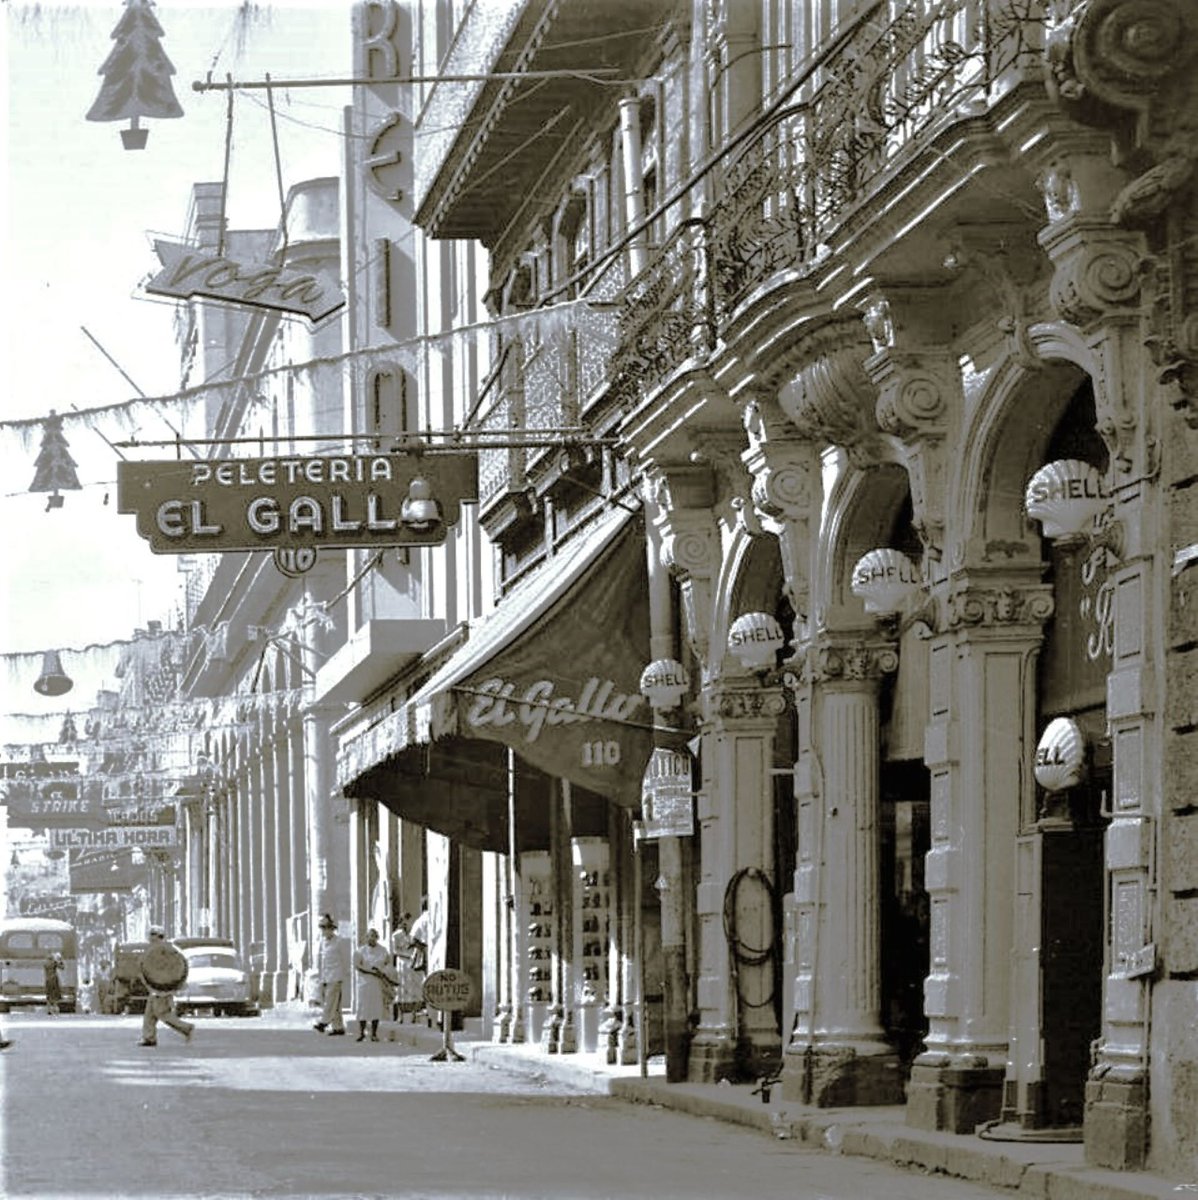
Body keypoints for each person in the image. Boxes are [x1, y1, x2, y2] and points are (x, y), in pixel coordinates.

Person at [139, 928, 194, 1047]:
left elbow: (177, 968)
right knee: (150, 1014)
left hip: (162, 988)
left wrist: (171, 987)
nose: (150, 937)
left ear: (159, 936)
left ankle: (186, 1028)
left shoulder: (167, 950)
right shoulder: (153, 949)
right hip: (155, 987)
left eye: (153, 935)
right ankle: (149, 1037)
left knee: (162, 1013)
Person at [352, 928, 393, 1042]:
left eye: (374, 936)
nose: (372, 938)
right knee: (363, 1008)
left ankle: (374, 1034)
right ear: (366, 937)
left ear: (377, 938)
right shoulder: (360, 951)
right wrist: (371, 971)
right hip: (364, 982)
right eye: (370, 936)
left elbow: (388, 963)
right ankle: (361, 1033)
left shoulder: (383, 950)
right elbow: (357, 966)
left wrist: (382, 972)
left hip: (376, 983)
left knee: (376, 1008)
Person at [312, 913, 350, 1036]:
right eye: (321, 927)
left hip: (336, 974)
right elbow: (321, 961)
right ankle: (338, 1027)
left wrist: (345, 973)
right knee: (335, 1003)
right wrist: (320, 977)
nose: (323, 930)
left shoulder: (339, 941)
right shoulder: (322, 942)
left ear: (331, 928)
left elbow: (345, 958)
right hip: (326, 975)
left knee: (330, 1000)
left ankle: (323, 1022)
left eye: (325, 927)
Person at [390, 913, 424, 1022]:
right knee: (402, 988)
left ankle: (414, 1014)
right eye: (403, 922)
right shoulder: (396, 935)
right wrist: (407, 955)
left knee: (415, 987)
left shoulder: (414, 934)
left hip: (413, 962)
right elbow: (395, 950)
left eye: (407, 922)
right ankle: (401, 1015)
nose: (406, 924)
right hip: (403, 962)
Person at [44, 951, 63, 1015]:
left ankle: (49, 1009)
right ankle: (55, 1008)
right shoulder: (54, 963)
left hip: (48, 980)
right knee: (55, 995)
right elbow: (62, 967)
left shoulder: (45, 963)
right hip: (54, 979)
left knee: (49, 995)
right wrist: (60, 960)